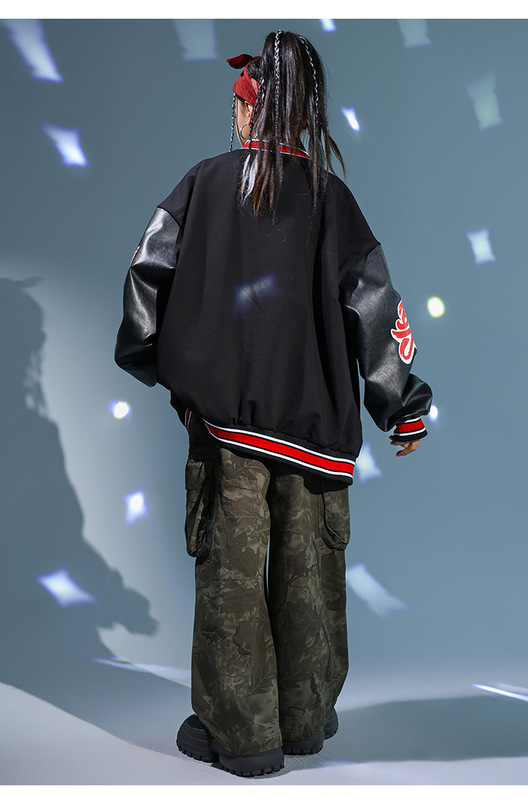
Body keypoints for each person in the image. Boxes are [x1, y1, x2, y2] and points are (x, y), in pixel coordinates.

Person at [115, 30, 432, 778]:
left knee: (231, 578)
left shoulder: (201, 184)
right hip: (317, 433)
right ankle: (304, 722)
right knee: (309, 581)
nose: (233, 115)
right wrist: (402, 405)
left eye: (237, 104)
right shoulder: (334, 200)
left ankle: (243, 736)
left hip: (227, 427)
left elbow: (145, 277)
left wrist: (164, 369)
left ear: (252, 109)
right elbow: (375, 305)